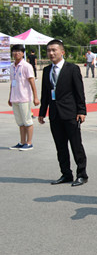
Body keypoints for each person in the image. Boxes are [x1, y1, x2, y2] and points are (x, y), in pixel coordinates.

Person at [38, 39, 88, 187]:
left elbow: (79, 91)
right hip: (54, 114)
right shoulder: (47, 70)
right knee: (60, 146)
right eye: (49, 50)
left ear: (62, 52)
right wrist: (42, 112)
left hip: (70, 113)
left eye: (54, 50)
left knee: (76, 145)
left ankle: (82, 174)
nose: (51, 53)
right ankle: (66, 174)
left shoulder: (72, 69)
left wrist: (81, 110)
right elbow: (45, 93)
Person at [8, 44, 39, 151]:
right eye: (14, 51)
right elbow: (12, 83)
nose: (16, 53)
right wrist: (10, 97)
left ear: (23, 54)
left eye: (19, 51)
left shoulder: (26, 66)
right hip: (15, 98)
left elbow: (32, 82)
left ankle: (29, 143)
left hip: (24, 98)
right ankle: (22, 142)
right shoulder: (12, 66)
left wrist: (35, 97)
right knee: (20, 122)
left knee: (27, 121)